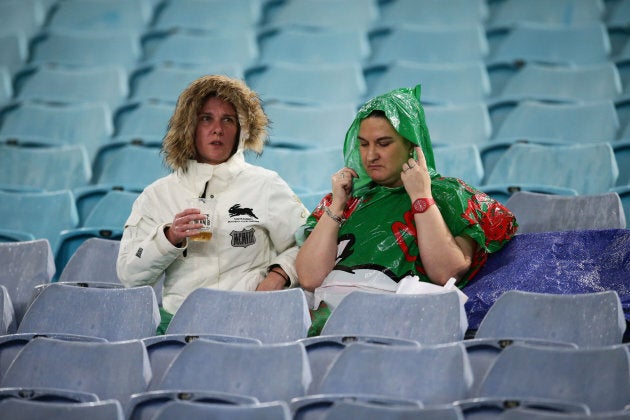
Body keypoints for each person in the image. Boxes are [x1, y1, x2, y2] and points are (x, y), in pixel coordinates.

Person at [295, 85, 518, 335]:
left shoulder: (449, 194)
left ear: (413, 146)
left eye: (383, 143)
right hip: (328, 324)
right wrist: (337, 206)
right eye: (363, 144)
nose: (371, 156)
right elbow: (309, 278)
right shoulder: (347, 198)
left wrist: (421, 197)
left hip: (401, 326)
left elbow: (446, 272)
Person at [117, 75, 309, 334]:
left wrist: (279, 276)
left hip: (250, 319)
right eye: (206, 118)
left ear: (242, 129)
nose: (217, 129)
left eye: (228, 120)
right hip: (179, 323)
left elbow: (308, 243)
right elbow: (130, 275)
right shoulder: (157, 195)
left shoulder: (266, 185)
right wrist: (169, 237)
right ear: (189, 126)